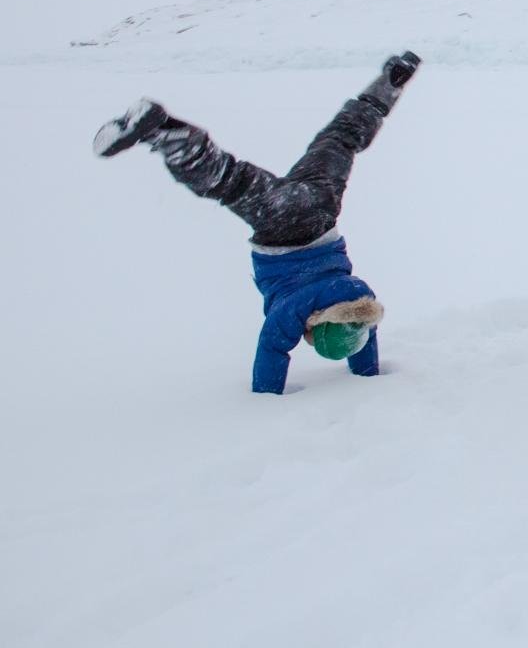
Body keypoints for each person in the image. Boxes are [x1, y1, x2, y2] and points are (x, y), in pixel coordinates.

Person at [91, 53, 421, 394]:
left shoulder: (361, 298)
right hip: (282, 228)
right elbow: (272, 349)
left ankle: (390, 82)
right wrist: (266, 397)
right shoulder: (296, 310)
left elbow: (363, 330)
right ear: (318, 326)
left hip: (322, 208)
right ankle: (168, 136)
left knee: (341, 139)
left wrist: (367, 371)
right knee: (229, 181)